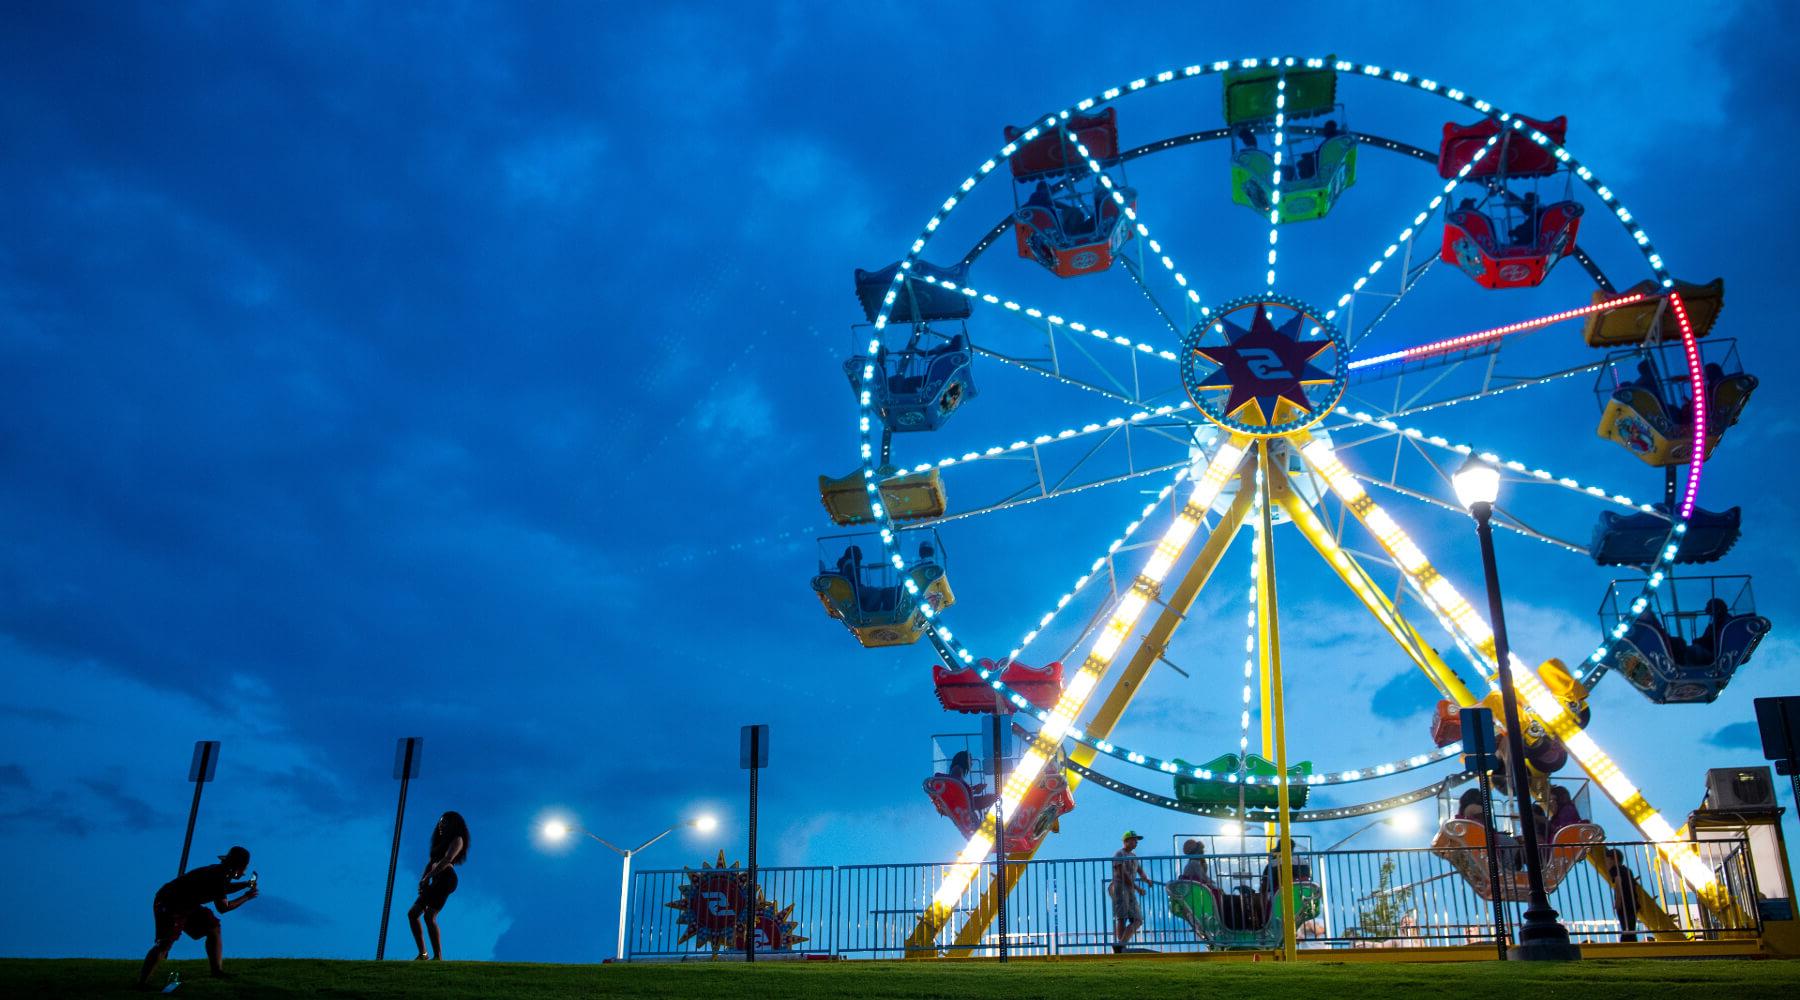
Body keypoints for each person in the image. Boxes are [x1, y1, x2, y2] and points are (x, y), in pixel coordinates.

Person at [138, 846, 258, 989]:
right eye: (244, 868)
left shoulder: (221, 873)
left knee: (213, 927)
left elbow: (223, 889)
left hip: (187, 904)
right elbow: (223, 908)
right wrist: (246, 897)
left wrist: (245, 885)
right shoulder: (219, 876)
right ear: (239, 866)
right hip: (170, 903)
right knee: (165, 943)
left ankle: (217, 971)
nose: (244, 872)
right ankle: (142, 984)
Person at [408, 811, 471, 961]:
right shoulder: (439, 842)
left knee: (429, 916)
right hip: (435, 879)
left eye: (444, 822)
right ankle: (423, 954)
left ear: (453, 824)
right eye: (440, 821)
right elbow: (431, 863)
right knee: (413, 914)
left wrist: (429, 876)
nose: (440, 824)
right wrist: (424, 879)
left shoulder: (458, 839)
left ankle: (438, 956)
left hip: (447, 878)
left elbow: (447, 859)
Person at [1111, 830, 1154, 952]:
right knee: (1122, 917)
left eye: (1136, 840)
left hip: (1130, 890)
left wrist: (1146, 880)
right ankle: (1121, 945)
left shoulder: (1134, 856)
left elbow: (1139, 870)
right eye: (1134, 840)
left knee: (1138, 920)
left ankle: (1121, 944)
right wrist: (1137, 888)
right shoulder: (1119, 854)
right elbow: (1121, 873)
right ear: (1126, 841)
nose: (1136, 842)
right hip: (1121, 889)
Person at [1604, 848, 1642, 942]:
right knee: (1630, 927)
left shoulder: (1615, 869)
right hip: (1633, 902)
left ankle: (1626, 944)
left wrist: (1618, 900)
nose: (1606, 864)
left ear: (1614, 859)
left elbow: (1618, 882)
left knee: (1626, 927)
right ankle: (1631, 943)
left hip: (1624, 903)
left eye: (1607, 861)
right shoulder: (1627, 870)